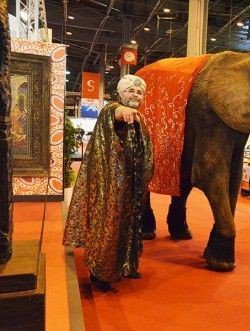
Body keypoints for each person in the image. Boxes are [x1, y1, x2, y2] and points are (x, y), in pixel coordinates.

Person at [63, 75, 153, 292]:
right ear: (121, 93)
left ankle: (126, 265)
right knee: (109, 225)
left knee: (130, 225)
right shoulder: (111, 109)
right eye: (131, 91)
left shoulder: (140, 118)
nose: (136, 95)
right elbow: (115, 114)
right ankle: (100, 273)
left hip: (133, 185)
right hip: (111, 185)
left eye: (140, 92)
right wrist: (123, 112)